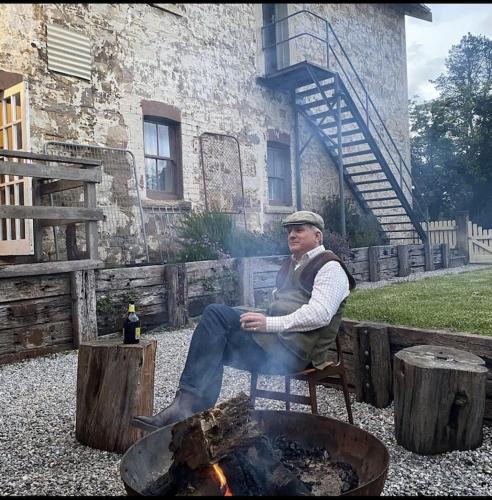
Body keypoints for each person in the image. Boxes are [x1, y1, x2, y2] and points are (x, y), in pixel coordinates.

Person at [132, 210, 356, 432]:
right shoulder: (291, 264)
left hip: (295, 353)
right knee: (213, 341)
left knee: (215, 314)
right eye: (289, 231)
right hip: (274, 344)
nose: (292, 235)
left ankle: (188, 409)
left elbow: (321, 314)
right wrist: (255, 315)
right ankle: (191, 414)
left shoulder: (330, 267)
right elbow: (278, 306)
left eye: (299, 230)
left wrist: (268, 323)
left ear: (318, 236)